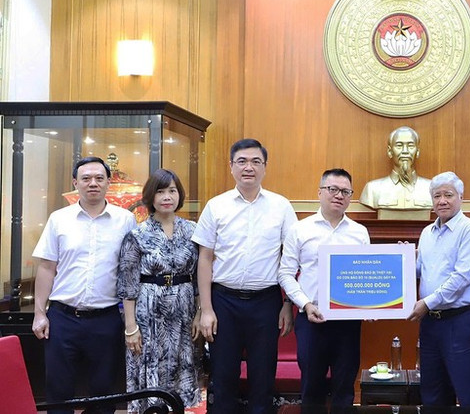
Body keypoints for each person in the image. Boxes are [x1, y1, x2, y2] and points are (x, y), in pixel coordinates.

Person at [192, 138, 297, 414]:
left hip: (266, 302)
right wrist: (206, 309)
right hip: (224, 301)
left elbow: (291, 258)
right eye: (242, 161)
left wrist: (287, 303)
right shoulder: (216, 206)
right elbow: (204, 259)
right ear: (231, 167)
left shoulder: (281, 206)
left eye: (255, 161)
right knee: (223, 376)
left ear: (265, 167)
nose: (248, 167)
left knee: (263, 378)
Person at [31, 157, 137, 414]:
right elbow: (46, 268)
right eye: (86, 178)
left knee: (104, 391)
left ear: (108, 183)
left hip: (107, 318)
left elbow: (130, 271)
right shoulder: (59, 219)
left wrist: (130, 321)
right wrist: (39, 313)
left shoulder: (125, 220)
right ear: (75, 182)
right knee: (58, 389)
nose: (93, 184)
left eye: (99, 178)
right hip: (63, 318)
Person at [278, 168, 370, 409]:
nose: (339, 195)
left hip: (348, 321)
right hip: (311, 318)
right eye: (333, 189)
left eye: (345, 191)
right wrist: (305, 304)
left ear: (351, 197)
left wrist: (372, 304)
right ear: (319, 192)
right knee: (311, 387)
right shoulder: (300, 229)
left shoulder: (360, 233)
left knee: (345, 388)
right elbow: (285, 273)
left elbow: (367, 275)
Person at [118, 169, 201, 412]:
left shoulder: (192, 230)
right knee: (148, 365)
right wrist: (130, 326)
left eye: (172, 191)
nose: (167, 197)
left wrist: (199, 312)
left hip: (184, 312)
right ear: (151, 196)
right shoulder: (137, 235)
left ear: (180, 195)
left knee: (181, 365)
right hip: (148, 312)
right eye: (161, 191)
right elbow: (128, 283)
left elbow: (199, 275)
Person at [407, 171, 470, 407]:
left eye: (448, 195)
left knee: (467, 390)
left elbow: (462, 277)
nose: (442, 201)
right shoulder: (427, 233)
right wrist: (402, 261)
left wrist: (427, 303)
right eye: (437, 196)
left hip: (460, 321)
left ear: (460, 196)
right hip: (431, 323)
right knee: (432, 391)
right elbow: (420, 271)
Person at [359, 126, 432, 210]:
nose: (405, 151)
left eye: (410, 146)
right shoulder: (372, 189)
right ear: (390, 151)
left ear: (417, 151)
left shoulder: (432, 188)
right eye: (399, 146)